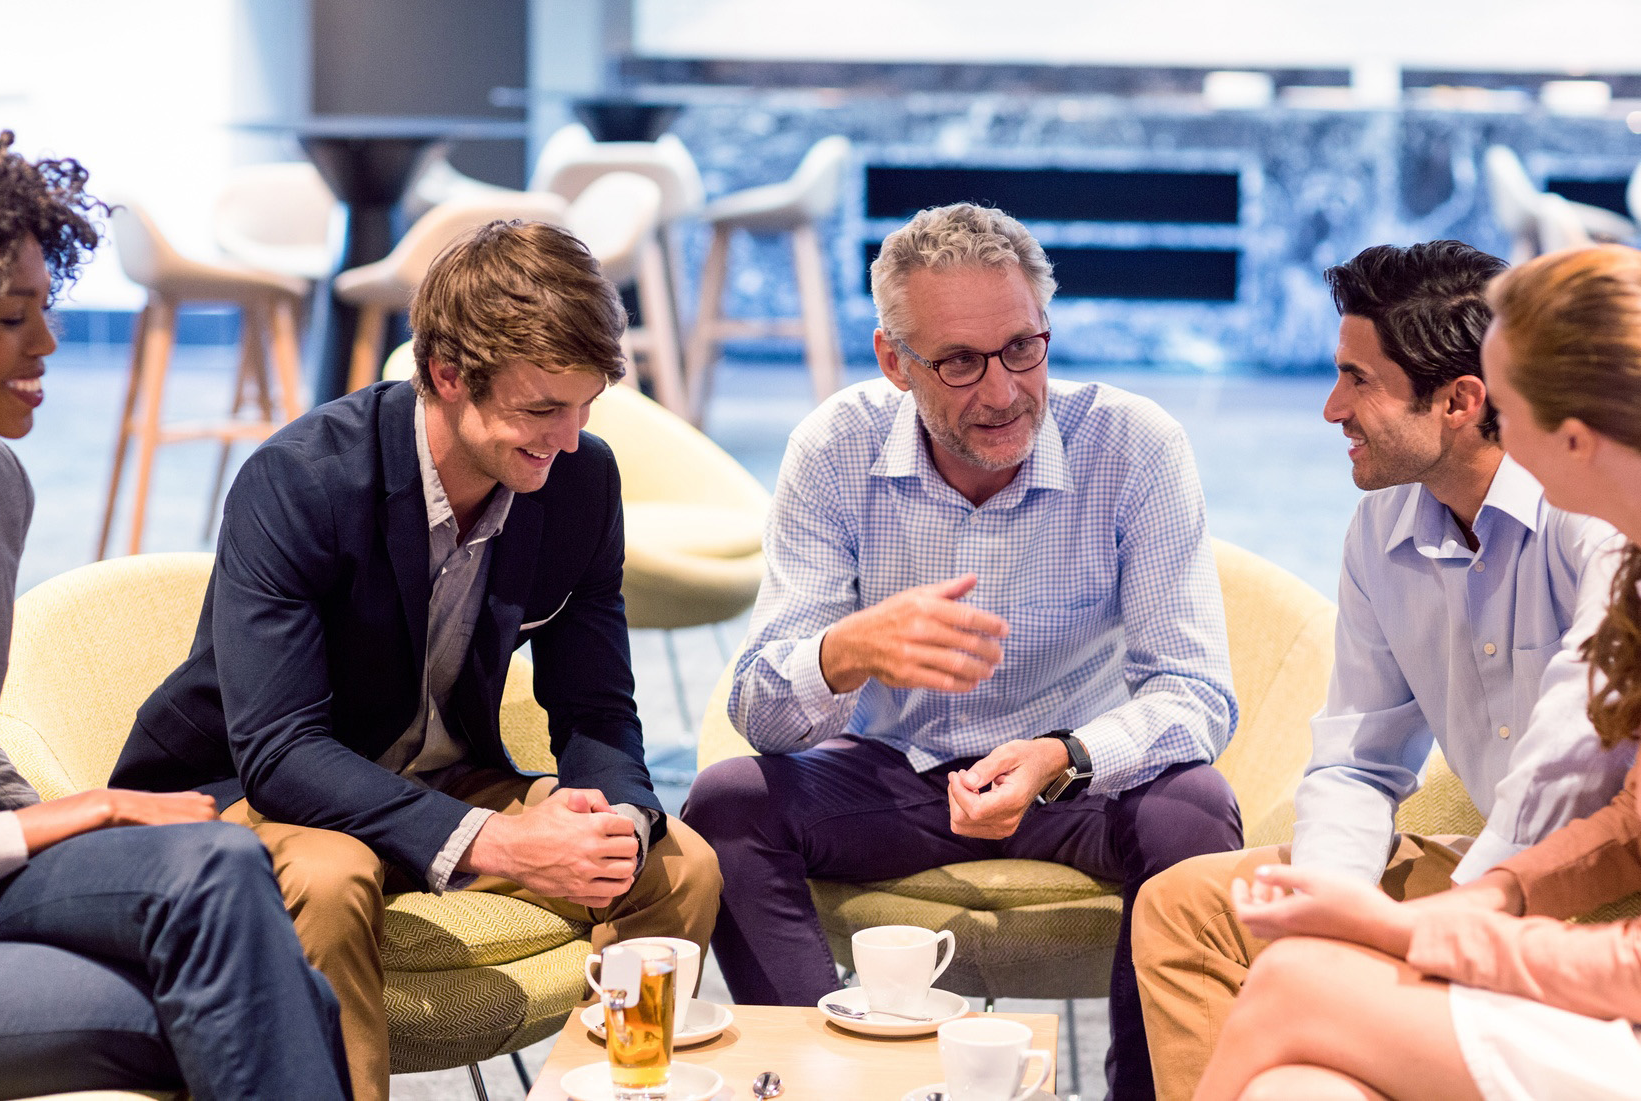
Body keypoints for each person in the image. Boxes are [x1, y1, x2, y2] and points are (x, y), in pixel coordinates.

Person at [109, 219, 722, 1101]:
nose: (571, 437)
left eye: (587, 406)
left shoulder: (581, 480)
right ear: (445, 375)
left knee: (678, 865)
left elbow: (595, 705)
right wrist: (503, 839)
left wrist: (619, 817)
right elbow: (280, 751)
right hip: (251, 791)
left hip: (441, 781)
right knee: (330, 874)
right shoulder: (302, 481)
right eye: (544, 408)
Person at [682, 201, 1243, 1100]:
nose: (1003, 390)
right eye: (959, 362)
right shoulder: (836, 448)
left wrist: (1067, 756)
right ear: (894, 362)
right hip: (888, 773)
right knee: (727, 804)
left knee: (1198, 809)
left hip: (1070, 782)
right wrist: (845, 651)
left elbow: (1196, 692)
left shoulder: (1134, 446)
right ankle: (839, 1088)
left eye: (1024, 347)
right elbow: (758, 709)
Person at [1132, 240, 1631, 1099]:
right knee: (1195, 911)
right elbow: (1358, 757)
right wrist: (1334, 907)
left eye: (1357, 379)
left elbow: (1569, 756)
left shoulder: (1595, 520)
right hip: (1522, 869)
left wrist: (1436, 927)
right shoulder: (1382, 530)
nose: (1330, 408)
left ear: (1463, 402)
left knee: (1297, 997)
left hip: (1597, 904)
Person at [0, 130, 351, 1100]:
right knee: (262, 1000)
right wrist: (83, 813)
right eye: (12, 318)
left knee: (215, 862)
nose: (46, 345)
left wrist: (76, 824)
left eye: (45, 309)